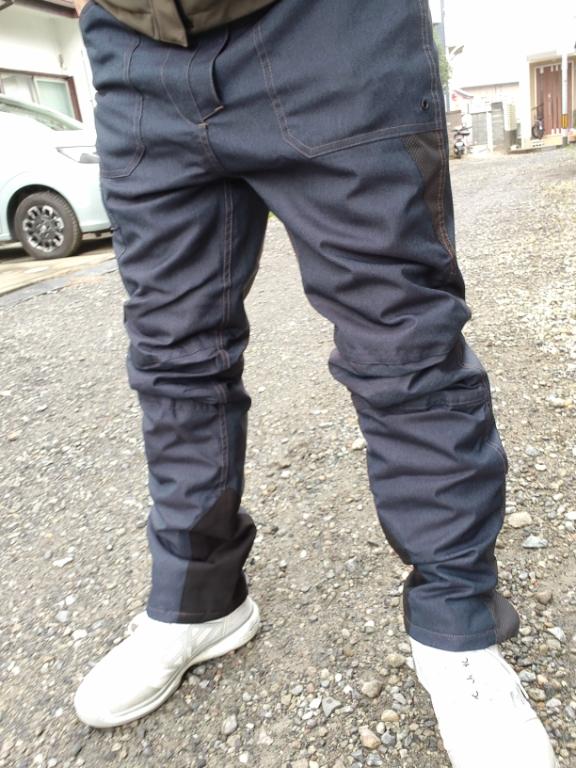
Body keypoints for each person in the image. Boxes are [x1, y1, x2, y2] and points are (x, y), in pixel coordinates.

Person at [72, 1, 558, 765]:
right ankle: (197, 601)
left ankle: (456, 631)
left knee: (403, 343)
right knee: (172, 354)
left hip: (326, 29)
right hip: (138, 51)